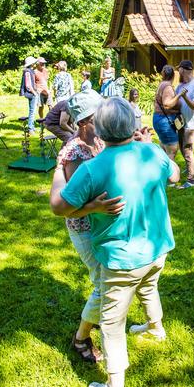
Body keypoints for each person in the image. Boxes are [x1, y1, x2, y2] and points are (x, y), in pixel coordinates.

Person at [51, 97, 181, 387]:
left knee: (111, 325)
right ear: (133, 126)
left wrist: (57, 171)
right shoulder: (150, 151)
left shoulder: (93, 168)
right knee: (149, 287)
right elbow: (175, 175)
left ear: (101, 128)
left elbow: (59, 207)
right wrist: (150, 145)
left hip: (122, 260)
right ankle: (155, 328)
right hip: (157, 249)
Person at [50, 92, 111, 364]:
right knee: (102, 281)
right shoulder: (73, 151)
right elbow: (74, 199)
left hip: (100, 222)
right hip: (83, 225)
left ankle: (99, 316)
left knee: (105, 278)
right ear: (85, 121)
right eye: (100, 116)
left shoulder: (98, 141)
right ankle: (81, 337)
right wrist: (95, 207)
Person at [176, 60, 194, 189]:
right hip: (181, 122)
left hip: (192, 124)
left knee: (187, 150)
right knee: (182, 147)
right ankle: (189, 168)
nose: (178, 72)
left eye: (179, 69)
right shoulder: (180, 85)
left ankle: (191, 180)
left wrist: (186, 97)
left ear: (183, 70)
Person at [152, 65, 183, 160]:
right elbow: (166, 104)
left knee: (164, 148)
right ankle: (170, 174)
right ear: (173, 76)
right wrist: (179, 95)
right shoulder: (167, 87)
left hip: (159, 119)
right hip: (164, 121)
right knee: (172, 150)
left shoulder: (162, 84)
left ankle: (162, 172)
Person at [20, 56, 39, 132]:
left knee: (33, 110)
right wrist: (34, 93)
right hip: (31, 93)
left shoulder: (30, 71)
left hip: (32, 92)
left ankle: (32, 126)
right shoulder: (28, 71)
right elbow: (28, 85)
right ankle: (30, 128)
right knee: (32, 111)